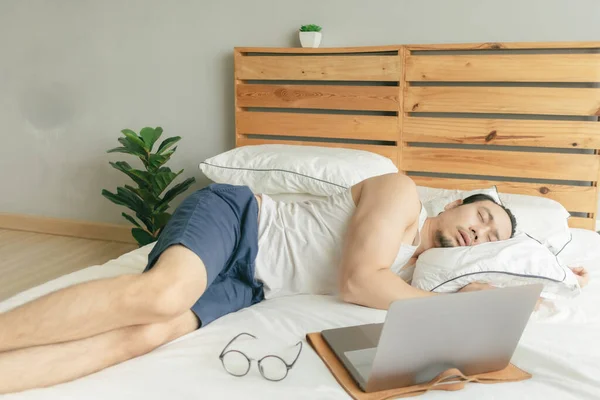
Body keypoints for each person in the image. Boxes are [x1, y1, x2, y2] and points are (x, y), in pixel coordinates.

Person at [0, 173, 589, 393]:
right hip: (237, 221)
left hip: (253, 287)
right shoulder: (399, 192)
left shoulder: (418, 276)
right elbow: (359, 280)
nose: (478, 235)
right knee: (160, 294)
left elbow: (391, 294)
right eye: (481, 218)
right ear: (457, 203)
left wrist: (507, 293)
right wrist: (448, 310)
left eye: (492, 239)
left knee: (146, 335)